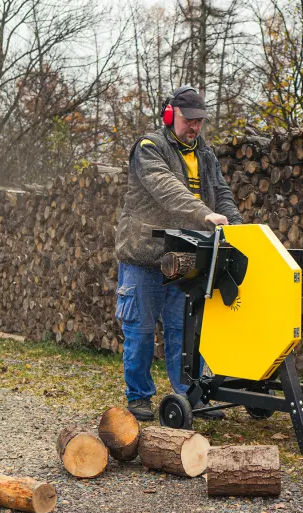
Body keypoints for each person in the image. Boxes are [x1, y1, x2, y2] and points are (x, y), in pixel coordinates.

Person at [114, 86, 243, 421]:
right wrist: (204, 215)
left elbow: (222, 193)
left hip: (185, 258)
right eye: (189, 120)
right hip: (145, 255)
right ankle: (139, 396)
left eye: (200, 121)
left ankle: (189, 396)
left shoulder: (206, 155)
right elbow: (167, 190)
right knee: (140, 330)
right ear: (169, 115)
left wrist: (237, 229)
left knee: (183, 330)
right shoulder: (149, 148)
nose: (195, 127)